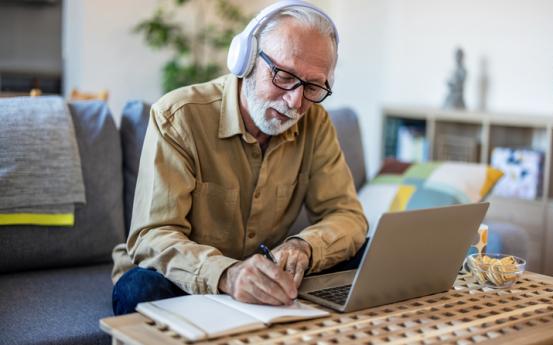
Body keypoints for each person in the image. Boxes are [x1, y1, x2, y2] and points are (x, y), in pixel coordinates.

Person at [111, 0, 367, 315]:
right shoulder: (178, 117)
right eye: (284, 76)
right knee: (139, 289)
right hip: (187, 278)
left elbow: (348, 216)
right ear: (245, 61)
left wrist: (306, 246)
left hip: (267, 278)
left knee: (370, 252)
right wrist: (226, 274)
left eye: (313, 86)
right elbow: (152, 235)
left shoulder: (316, 123)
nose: (296, 101)